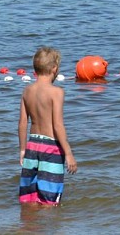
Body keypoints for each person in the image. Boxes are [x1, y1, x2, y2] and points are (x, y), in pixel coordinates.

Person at [19, 46, 77, 205]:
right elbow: (58, 125)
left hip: (32, 146)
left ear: (35, 68)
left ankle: (29, 226)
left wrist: (23, 149)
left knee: (29, 196)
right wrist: (69, 153)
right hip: (51, 148)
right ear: (54, 68)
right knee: (49, 199)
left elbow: (23, 123)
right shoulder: (56, 92)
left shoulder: (27, 91)